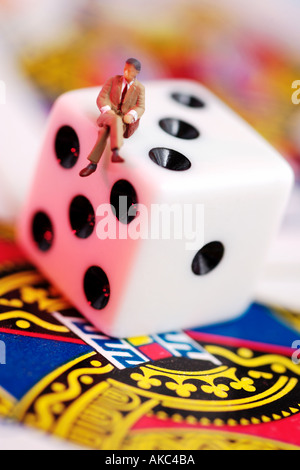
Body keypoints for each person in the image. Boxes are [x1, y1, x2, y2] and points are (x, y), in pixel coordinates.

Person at [79, 58, 145, 177]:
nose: (125, 73)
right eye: (125, 69)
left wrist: (132, 115)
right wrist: (107, 110)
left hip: (124, 121)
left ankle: (92, 164)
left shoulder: (139, 88)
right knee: (114, 119)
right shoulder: (113, 80)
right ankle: (116, 151)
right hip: (108, 115)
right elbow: (101, 98)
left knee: (105, 130)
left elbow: (140, 107)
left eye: (130, 71)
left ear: (136, 73)